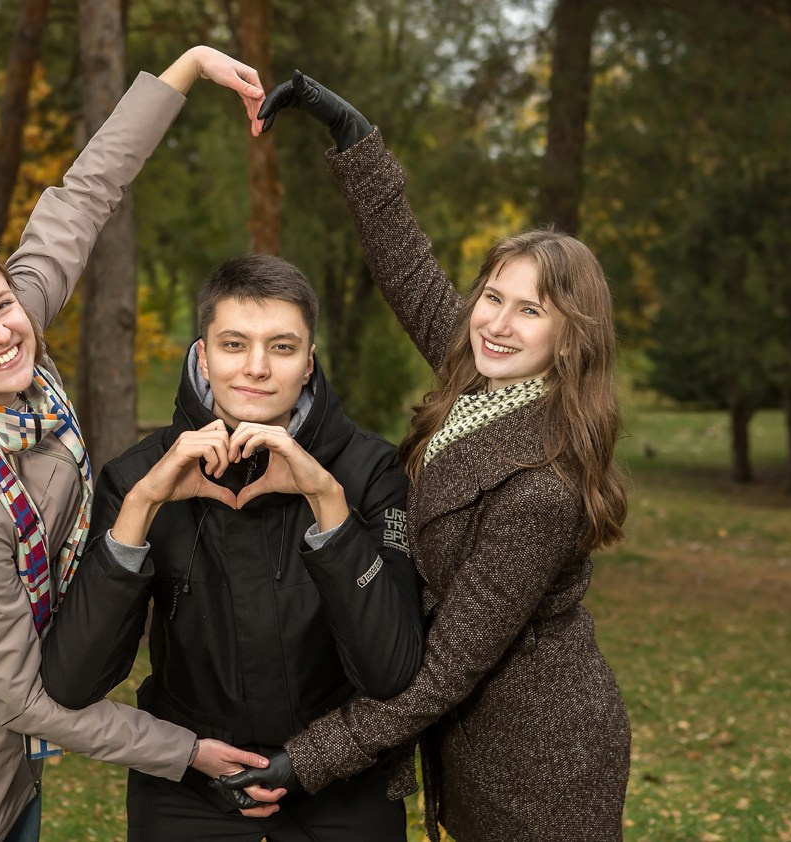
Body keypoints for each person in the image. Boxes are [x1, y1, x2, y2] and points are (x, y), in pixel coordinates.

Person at [0, 47, 278, 842]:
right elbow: (19, 696)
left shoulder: (14, 353)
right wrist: (182, 753)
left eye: (1, 303)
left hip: (8, 713)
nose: (1, 333)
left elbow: (81, 197)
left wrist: (182, 71)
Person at [223, 72, 632, 842]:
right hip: (482, 744)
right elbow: (407, 267)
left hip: (540, 766)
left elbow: (445, 669)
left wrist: (303, 761)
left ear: (569, 335)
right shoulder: (482, 375)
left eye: (530, 309)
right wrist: (351, 134)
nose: (497, 323)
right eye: (492, 296)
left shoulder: (540, 489)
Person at [39, 253, 425, 840]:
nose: (256, 368)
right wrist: (141, 509)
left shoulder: (371, 470)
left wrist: (328, 504)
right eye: (234, 344)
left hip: (342, 786)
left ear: (309, 363)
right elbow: (72, 680)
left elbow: (392, 670)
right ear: (203, 356)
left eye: (282, 347)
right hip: (187, 789)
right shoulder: (137, 477)